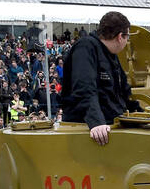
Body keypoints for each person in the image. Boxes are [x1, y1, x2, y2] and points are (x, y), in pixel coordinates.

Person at [59, 10, 140, 145]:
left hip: (110, 123)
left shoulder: (110, 55)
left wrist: (141, 115)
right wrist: (96, 122)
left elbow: (124, 93)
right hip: (85, 128)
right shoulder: (86, 48)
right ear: (120, 37)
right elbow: (84, 87)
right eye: (127, 37)